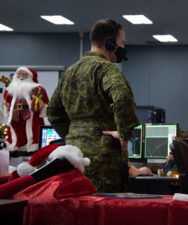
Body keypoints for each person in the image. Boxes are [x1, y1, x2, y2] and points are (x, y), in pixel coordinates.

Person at [47, 18, 151, 193]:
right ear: (110, 44)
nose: (123, 47)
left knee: (79, 205)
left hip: (74, 154)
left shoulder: (69, 72)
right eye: (122, 42)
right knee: (104, 209)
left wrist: (75, 134)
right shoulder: (107, 69)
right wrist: (125, 133)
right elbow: (122, 97)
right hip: (104, 156)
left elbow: (53, 111)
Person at [3, 67, 49, 164]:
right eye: (19, 74)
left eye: (24, 74)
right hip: (16, 118)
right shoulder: (10, 89)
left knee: (32, 133)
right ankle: (16, 150)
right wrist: (6, 108)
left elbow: (45, 103)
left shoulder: (38, 89)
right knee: (15, 133)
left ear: (30, 76)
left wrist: (40, 104)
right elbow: (6, 102)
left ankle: (31, 151)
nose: (21, 76)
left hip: (31, 118)